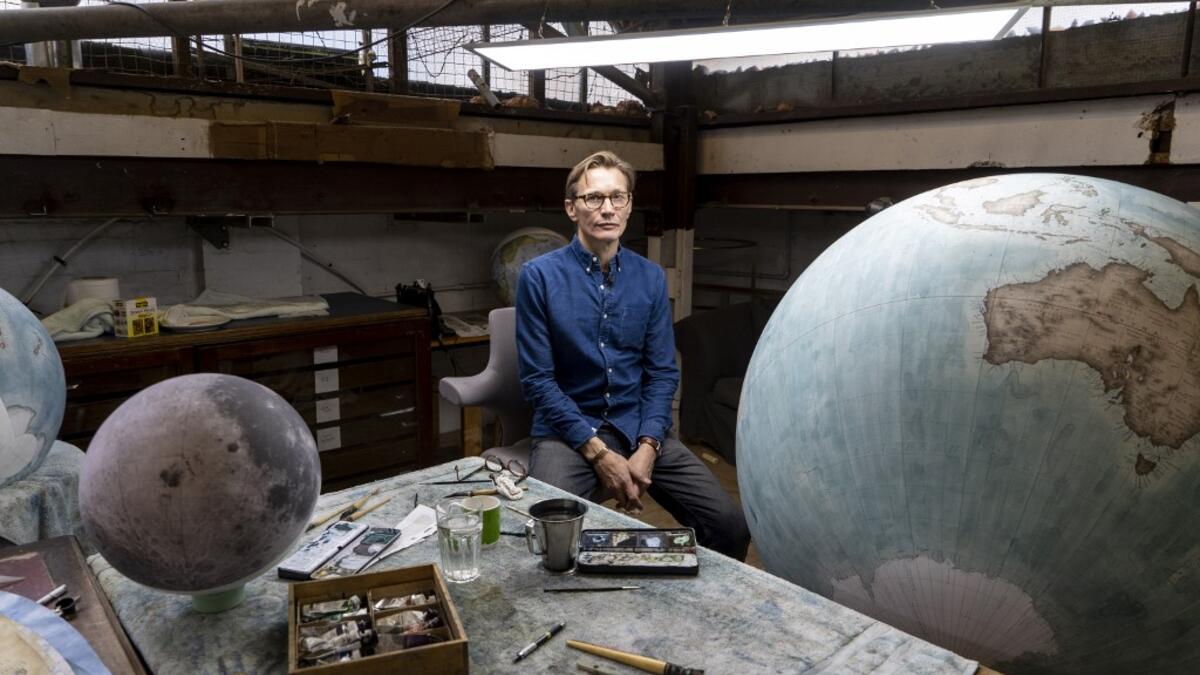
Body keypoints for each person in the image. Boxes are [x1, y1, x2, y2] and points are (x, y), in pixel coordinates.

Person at [515, 150, 750, 560]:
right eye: (594, 199)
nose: (607, 209)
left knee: (729, 526)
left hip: (636, 423)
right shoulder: (539, 277)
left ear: (629, 206)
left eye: (617, 197)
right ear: (572, 208)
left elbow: (661, 373)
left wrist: (648, 446)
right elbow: (538, 381)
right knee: (546, 543)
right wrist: (598, 453)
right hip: (567, 433)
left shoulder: (650, 278)